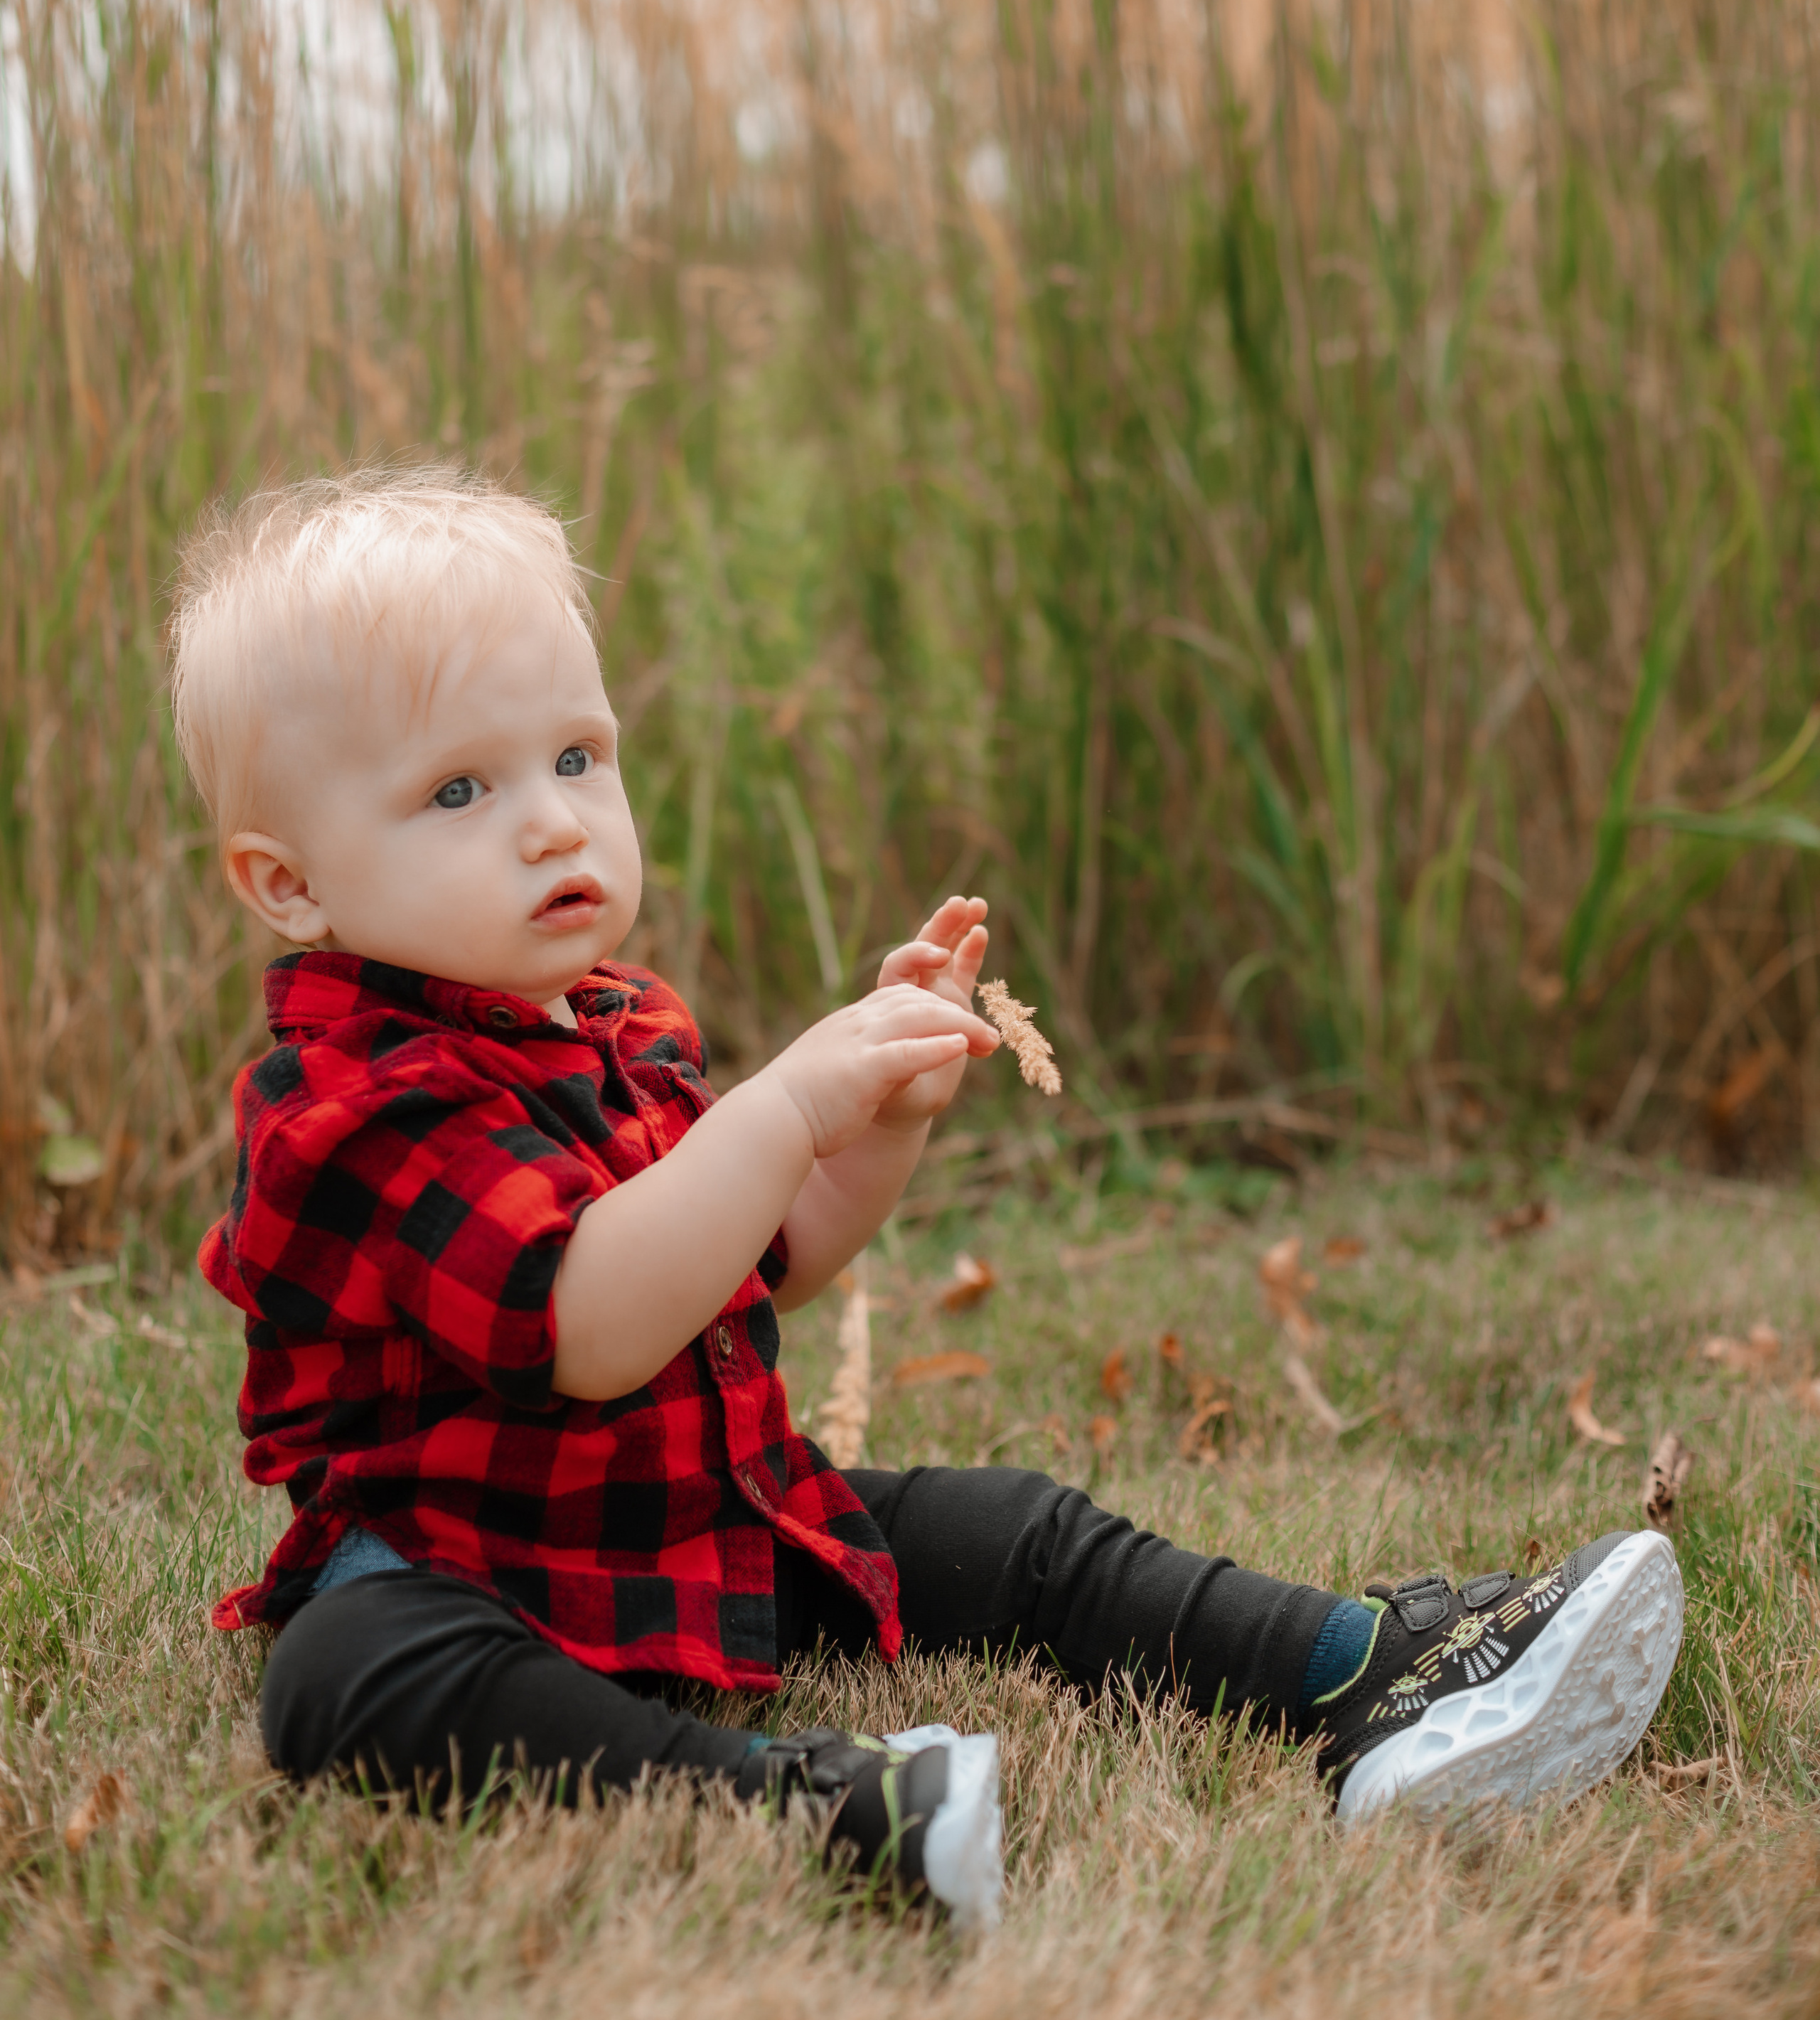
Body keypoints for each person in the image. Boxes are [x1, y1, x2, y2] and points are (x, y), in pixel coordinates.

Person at [171, 466, 1685, 1931]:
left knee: (1007, 1531)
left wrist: (873, 1134)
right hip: (466, 1563)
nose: (555, 822)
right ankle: (819, 1812)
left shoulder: (621, 1024)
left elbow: (756, 1268)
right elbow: (595, 1327)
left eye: (577, 757)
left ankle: (1362, 1672)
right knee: (350, 1674)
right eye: (458, 789)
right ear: (289, 884)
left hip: (685, 1527)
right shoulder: (352, 1107)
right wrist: (783, 1106)